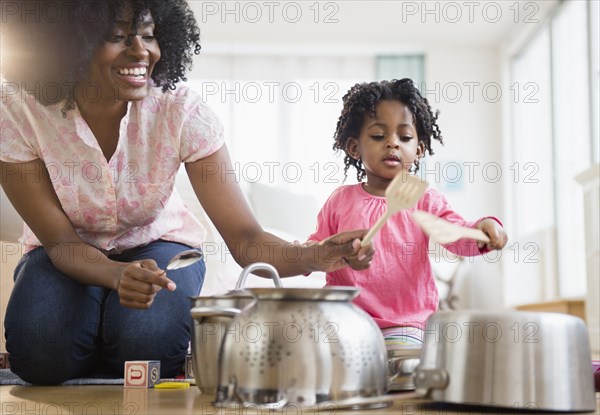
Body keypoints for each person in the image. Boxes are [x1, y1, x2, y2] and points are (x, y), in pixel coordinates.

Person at [0, 0, 373, 385]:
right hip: (67, 250)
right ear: (66, 46)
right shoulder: (17, 110)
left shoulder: (182, 112)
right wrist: (113, 275)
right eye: (117, 37)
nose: (141, 51)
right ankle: (94, 324)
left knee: (144, 348)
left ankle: (106, 334)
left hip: (158, 243)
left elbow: (245, 239)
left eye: (148, 35)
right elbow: (61, 244)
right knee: (40, 353)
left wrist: (317, 254)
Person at [307, 79, 508, 348]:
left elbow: (455, 234)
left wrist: (483, 228)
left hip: (404, 322)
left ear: (419, 150)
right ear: (355, 147)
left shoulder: (425, 199)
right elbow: (316, 249)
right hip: (345, 318)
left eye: (404, 137)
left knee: (401, 367)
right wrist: (316, 255)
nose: (392, 144)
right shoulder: (340, 200)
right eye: (379, 136)